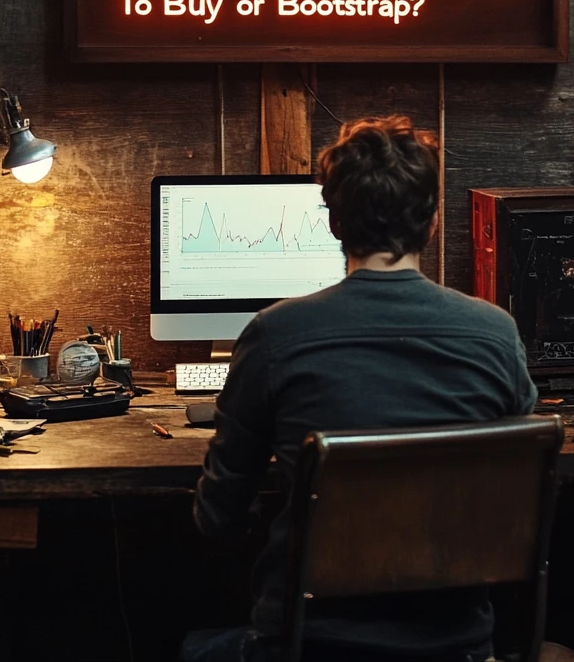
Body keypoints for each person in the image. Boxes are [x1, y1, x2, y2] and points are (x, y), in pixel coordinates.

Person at [182, 115, 537, 662]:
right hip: (456, 646)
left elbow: (218, 518)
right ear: (434, 222)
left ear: (334, 223)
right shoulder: (496, 333)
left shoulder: (274, 336)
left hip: (311, 644)